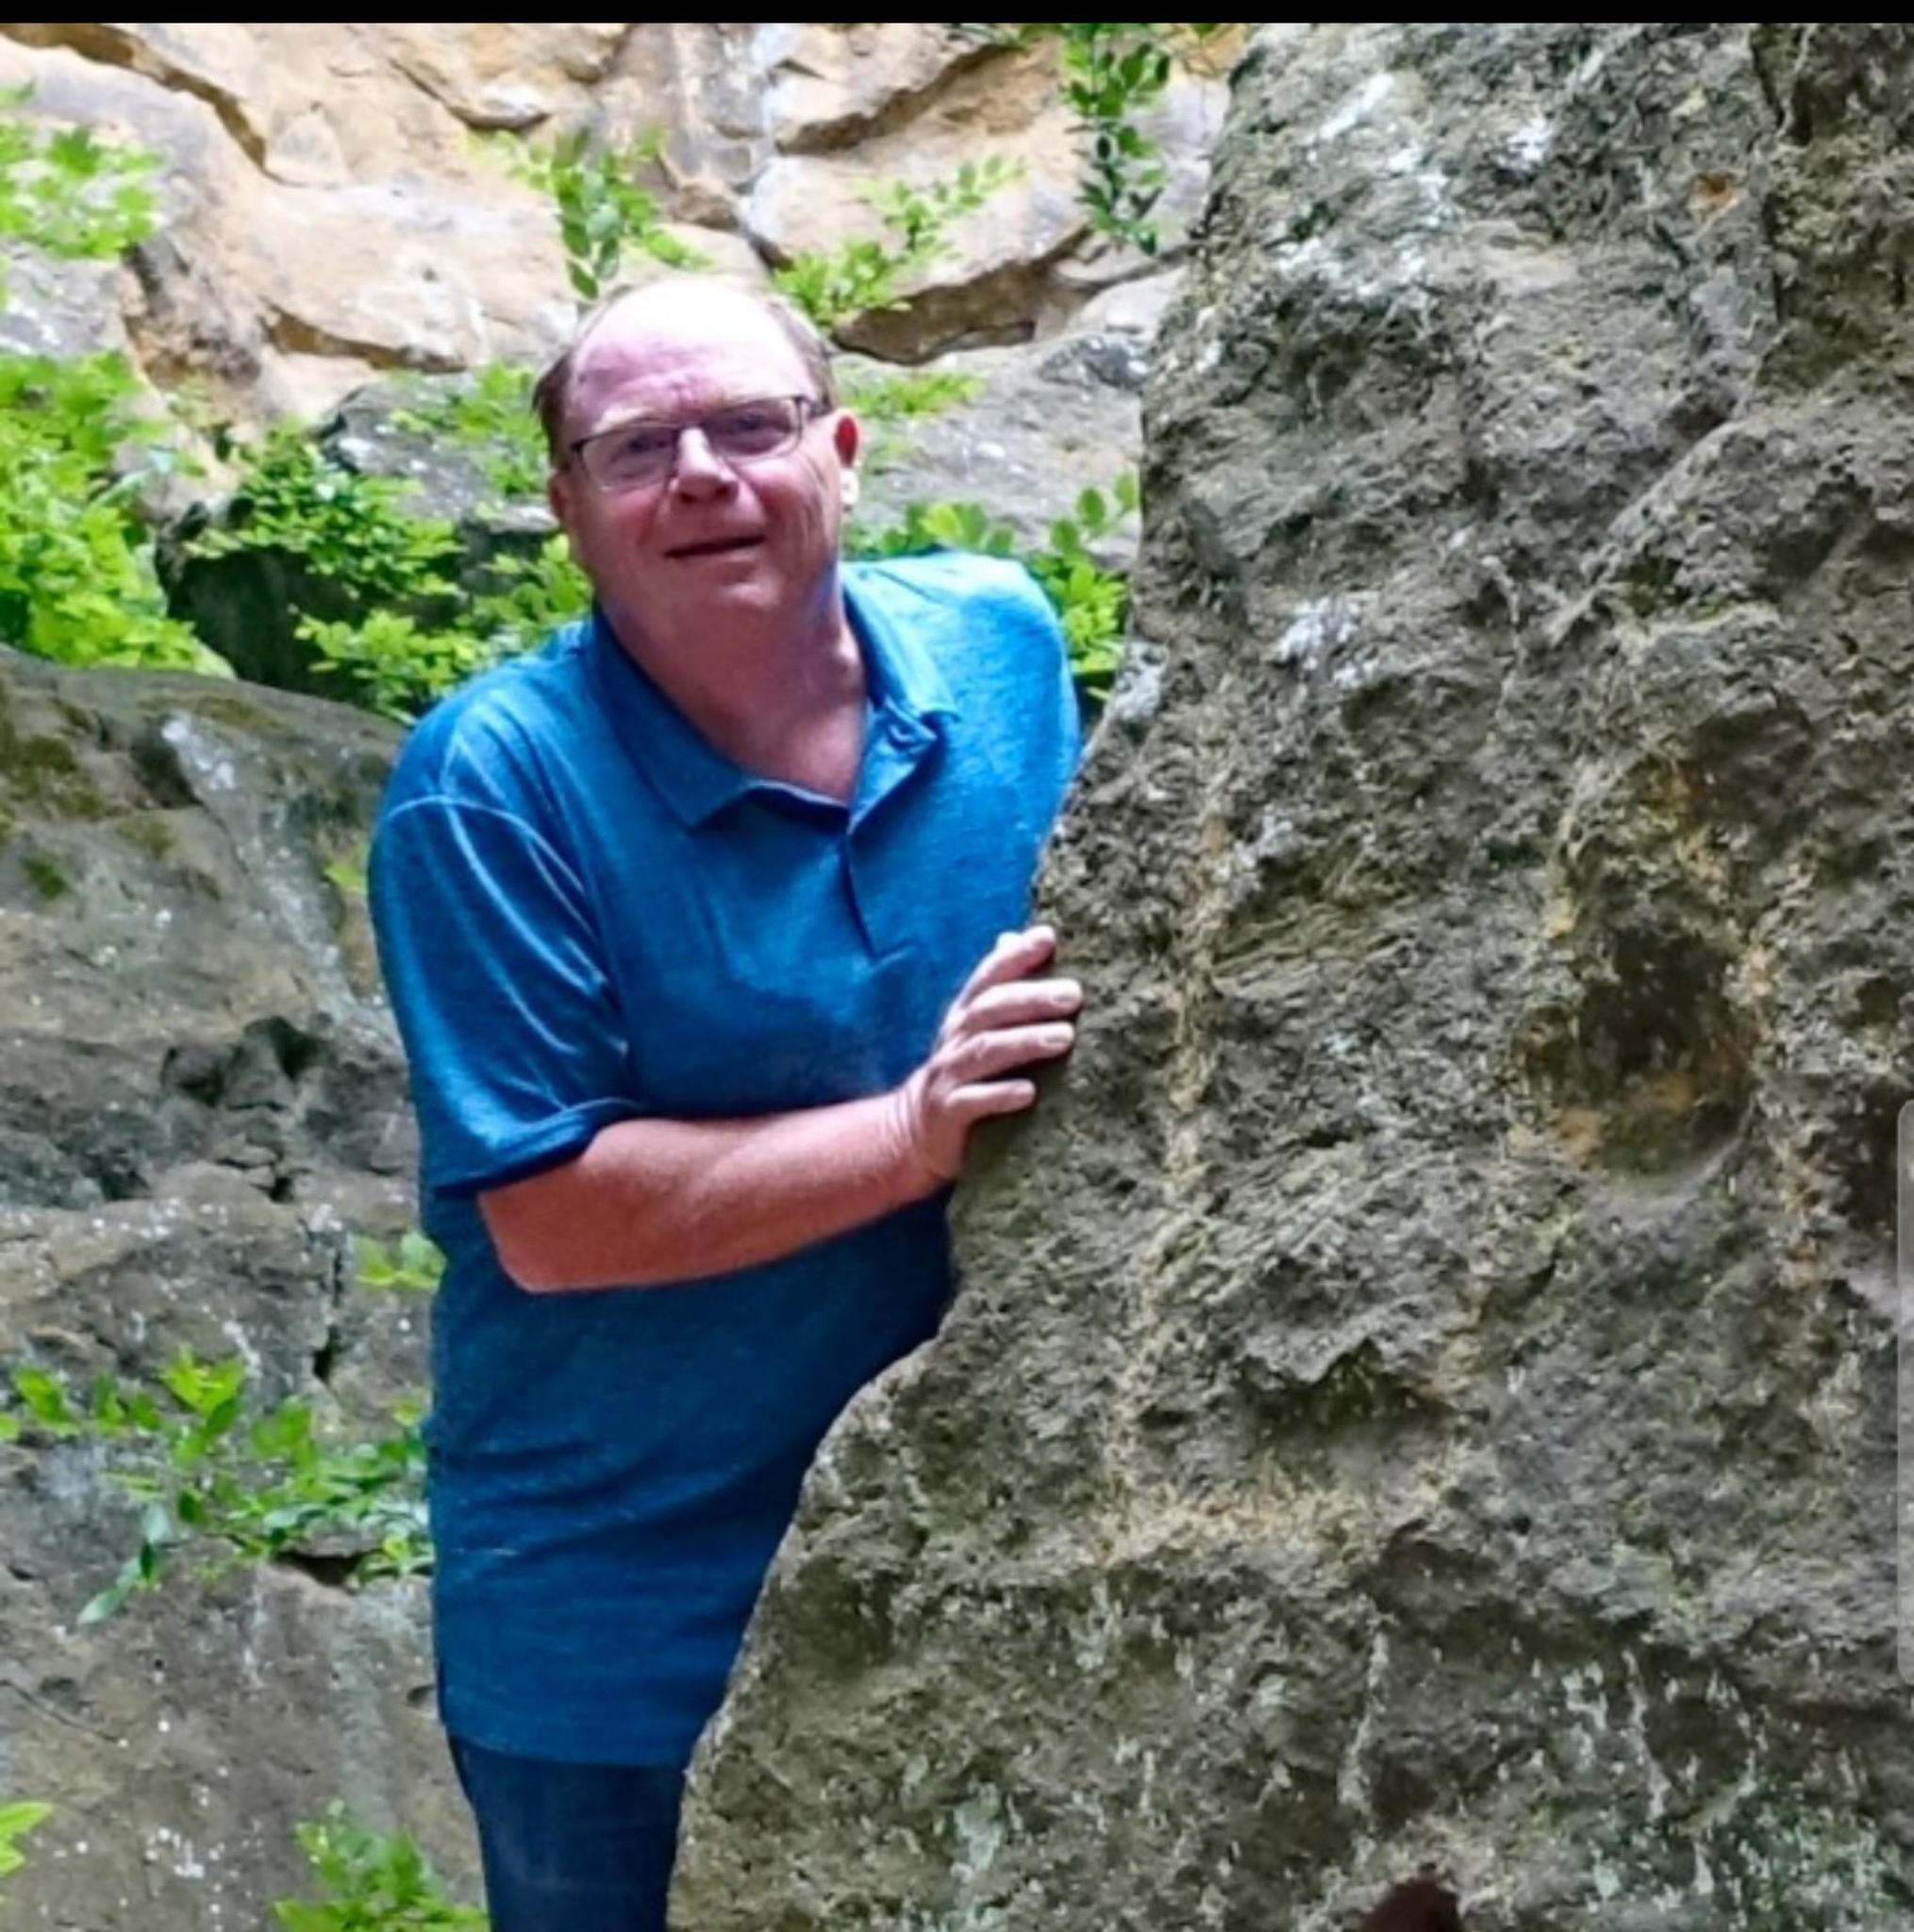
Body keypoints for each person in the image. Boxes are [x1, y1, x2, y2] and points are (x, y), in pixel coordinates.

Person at [367, 275, 1086, 1931]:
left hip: (980, 1528)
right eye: (635, 447)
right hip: (624, 1617)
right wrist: (912, 1130)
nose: (700, 474)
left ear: (842, 451)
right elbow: (552, 1220)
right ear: (566, 510)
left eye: (751, 425)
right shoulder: (487, 788)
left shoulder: (1001, 647)